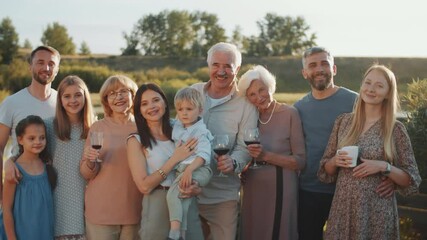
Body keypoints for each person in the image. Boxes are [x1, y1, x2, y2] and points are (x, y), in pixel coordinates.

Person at [318, 64, 421, 239]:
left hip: (377, 211)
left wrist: (384, 167)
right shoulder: (343, 122)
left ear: (388, 93)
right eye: (368, 83)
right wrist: (335, 161)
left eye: (379, 85)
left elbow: (411, 180)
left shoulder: (395, 129)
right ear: (362, 85)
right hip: (343, 209)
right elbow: (325, 169)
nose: (371, 89)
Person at [191, 42, 257, 240]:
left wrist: (234, 162)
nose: (221, 71)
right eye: (216, 65)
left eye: (228, 66)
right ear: (209, 65)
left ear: (237, 69)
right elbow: (178, 130)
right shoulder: (193, 92)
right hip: (189, 190)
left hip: (223, 196)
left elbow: (245, 148)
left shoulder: (246, 104)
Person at [293, 46, 359, 240]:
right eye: (312, 65)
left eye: (324, 63)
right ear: (305, 73)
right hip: (309, 189)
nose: (319, 69)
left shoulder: (355, 102)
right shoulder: (298, 108)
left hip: (347, 189)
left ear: (334, 69)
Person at [237, 65, 306, 240]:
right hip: (253, 185)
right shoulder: (249, 116)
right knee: (254, 231)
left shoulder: (290, 113)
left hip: (281, 183)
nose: (259, 97)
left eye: (262, 90)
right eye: (252, 94)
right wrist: (243, 168)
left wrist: (266, 156)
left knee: (278, 232)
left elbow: (300, 161)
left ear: (270, 87)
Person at [126, 83, 201, 240]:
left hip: (186, 200)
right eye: (144, 104)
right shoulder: (136, 141)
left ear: (165, 103)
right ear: (139, 110)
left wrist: (196, 187)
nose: (151, 106)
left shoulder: (182, 129)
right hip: (157, 203)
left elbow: (201, 158)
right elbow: (144, 186)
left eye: (155, 100)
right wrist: (174, 159)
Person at [80, 75, 142, 240]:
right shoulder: (98, 127)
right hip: (101, 212)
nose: (119, 97)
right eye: (112, 93)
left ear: (133, 95)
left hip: (135, 210)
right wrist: (90, 161)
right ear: (106, 100)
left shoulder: (144, 127)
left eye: (123, 91)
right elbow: (86, 174)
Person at [0, 45, 60, 198]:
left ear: (57, 70)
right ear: (30, 67)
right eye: (40, 62)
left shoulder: (64, 102)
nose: (46, 67)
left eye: (51, 64)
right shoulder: (12, 103)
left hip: (59, 187)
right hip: (22, 185)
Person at [167, 87, 213, 240]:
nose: (184, 113)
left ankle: (173, 233)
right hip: (187, 169)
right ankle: (182, 234)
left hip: (199, 169)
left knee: (172, 194)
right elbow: (169, 122)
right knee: (184, 201)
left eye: (189, 109)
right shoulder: (179, 126)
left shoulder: (201, 131)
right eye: (180, 109)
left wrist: (189, 171)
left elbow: (203, 155)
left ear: (200, 110)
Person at [0, 115, 57, 239]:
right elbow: (7, 209)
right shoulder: (14, 171)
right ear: (20, 140)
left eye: (42, 138)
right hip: (21, 235)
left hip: (45, 234)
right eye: (31, 138)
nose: (38, 142)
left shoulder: (47, 166)